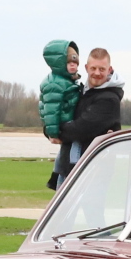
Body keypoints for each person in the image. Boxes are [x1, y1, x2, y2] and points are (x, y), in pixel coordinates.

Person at [60, 50, 125, 167]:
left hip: (94, 170)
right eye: (93, 68)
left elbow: (80, 129)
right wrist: (49, 129)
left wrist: (55, 131)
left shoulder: (109, 100)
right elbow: (59, 114)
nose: (97, 73)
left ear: (109, 70)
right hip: (69, 168)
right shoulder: (80, 92)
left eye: (102, 69)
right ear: (86, 68)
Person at [40, 39, 81, 191]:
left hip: (67, 121)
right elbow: (51, 110)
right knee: (71, 152)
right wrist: (53, 133)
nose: (73, 65)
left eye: (75, 62)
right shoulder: (55, 84)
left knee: (63, 154)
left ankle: (57, 176)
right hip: (64, 123)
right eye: (69, 62)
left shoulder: (68, 81)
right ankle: (69, 172)